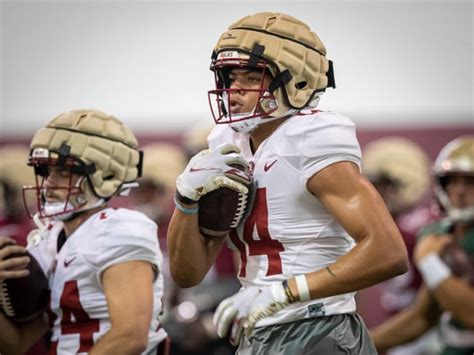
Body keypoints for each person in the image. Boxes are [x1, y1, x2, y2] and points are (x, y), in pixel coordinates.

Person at [167, 12, 408, 354]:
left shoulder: (310, 136)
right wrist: (185, 200)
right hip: (259, 326)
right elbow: (187, 274)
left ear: (296, 82)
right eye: (229, 77)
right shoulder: (227, 142)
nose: (234, 90)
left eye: (251, 77)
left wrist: (283, 292)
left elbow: (388, 252)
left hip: (317, 327)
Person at [0, 109, 169, 354]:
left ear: (106, 174)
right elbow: (16, 344)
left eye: (64, 172)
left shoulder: (119, 229)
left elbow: (130, 336)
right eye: (47, 172)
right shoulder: (47, 241)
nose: (49, 183)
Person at [371, 136, 474, 355]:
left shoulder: (426, 238)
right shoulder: (441, 234)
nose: (459, 191)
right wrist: (360, 344)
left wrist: (429, 261)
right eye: (452, 181)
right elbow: (423, 316)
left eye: (469, 181)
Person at [361, 137, 440, 354]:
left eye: (381, 185)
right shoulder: (384, 225)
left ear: (401, 185)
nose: (373, 192)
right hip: (402, 329)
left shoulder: (424, 227)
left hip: (431, 331)